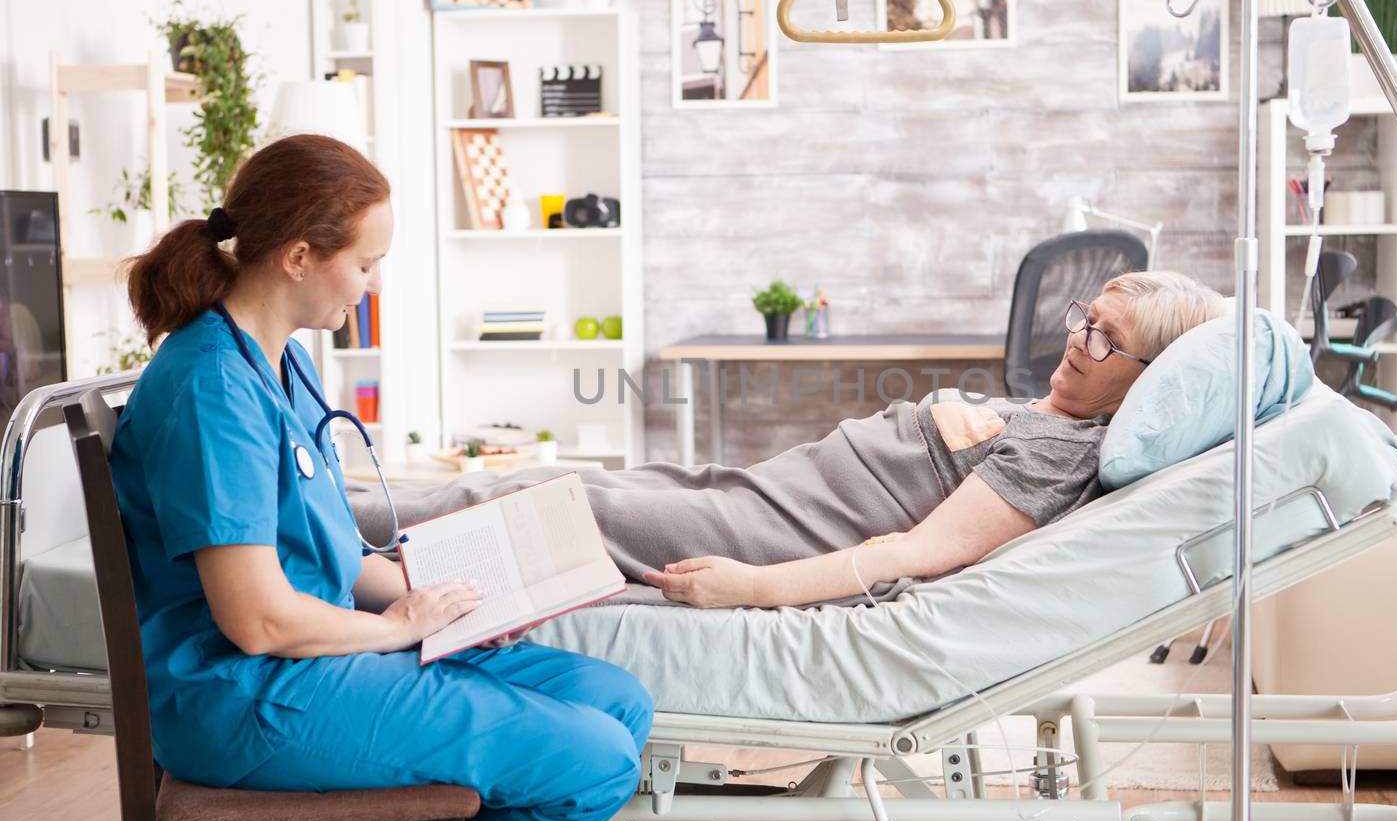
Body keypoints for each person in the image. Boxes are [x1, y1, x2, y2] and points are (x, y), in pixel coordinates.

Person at [112, 134, 651, 821]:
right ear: (298, 256)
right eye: (364, 264)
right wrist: (401, 625)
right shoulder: (210, 388)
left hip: (321, 655)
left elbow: (328, 550)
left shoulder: (282, 360)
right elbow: (258, 618)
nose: (371, 286)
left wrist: (458, 596)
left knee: (617, 701)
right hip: (247, 693)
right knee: (595, 758)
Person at [350, 271, 1224, 612]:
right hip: (768, 491)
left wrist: (753, 587)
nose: (1078, 339)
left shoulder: (1059, 453)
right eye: (1085, 319)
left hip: (780, 532)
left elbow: (916, 554)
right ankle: (322, 519)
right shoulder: (1055, 415)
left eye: (1106, 340)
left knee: (542, 505)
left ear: (1147, 377)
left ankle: (309, 521)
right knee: (566, 479)